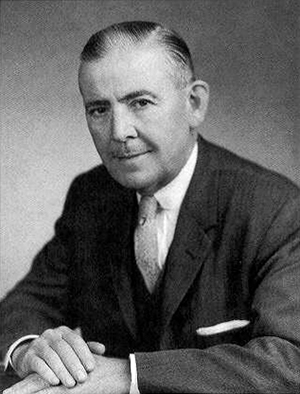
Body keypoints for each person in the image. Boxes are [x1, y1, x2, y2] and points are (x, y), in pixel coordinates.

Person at [1, 21, 300, 394]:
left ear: (195, 104)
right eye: (98, 109)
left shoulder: (275, 209)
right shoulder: (91, 196)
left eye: (140, 102)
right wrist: (31, 349)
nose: (118, 132)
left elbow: (290, 362)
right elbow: (28, 302)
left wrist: (128, 375)